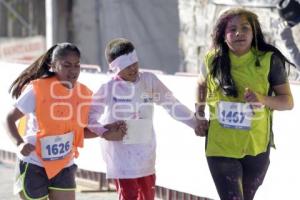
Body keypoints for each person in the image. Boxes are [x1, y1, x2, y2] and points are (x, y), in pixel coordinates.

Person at [195, 8, 294, 200]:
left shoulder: (269, 61)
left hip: (256, 147)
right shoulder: (212, 59)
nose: (238, 33)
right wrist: (199, 114)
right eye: (232, 29)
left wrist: (263, 99)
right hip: (220, 146)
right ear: (223, 36)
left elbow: (287, 102)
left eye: (245, 28)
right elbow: (201, 83)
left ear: (254, 32)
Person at [5, 43, 125, 200]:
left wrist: (105, 131)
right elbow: (9, 119)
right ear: (53, 66)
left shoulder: (84, 93)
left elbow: (79, 132)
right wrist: (19, 143)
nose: (73, 70)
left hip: (64, 165)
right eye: (66, 65)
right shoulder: (37, 89)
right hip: (34, 162)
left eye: (77, 65)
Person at [88, 38, 198, 200]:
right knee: (129, 196)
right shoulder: (108, 88)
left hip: (145, 155)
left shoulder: (149, 81)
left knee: (148, 197)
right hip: (121, 157)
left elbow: (172, 105)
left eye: (135, 63)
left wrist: (196, 124)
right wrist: (104, 132)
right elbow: (90, 117)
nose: (133, 69)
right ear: (115, 68)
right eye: (126, 66)